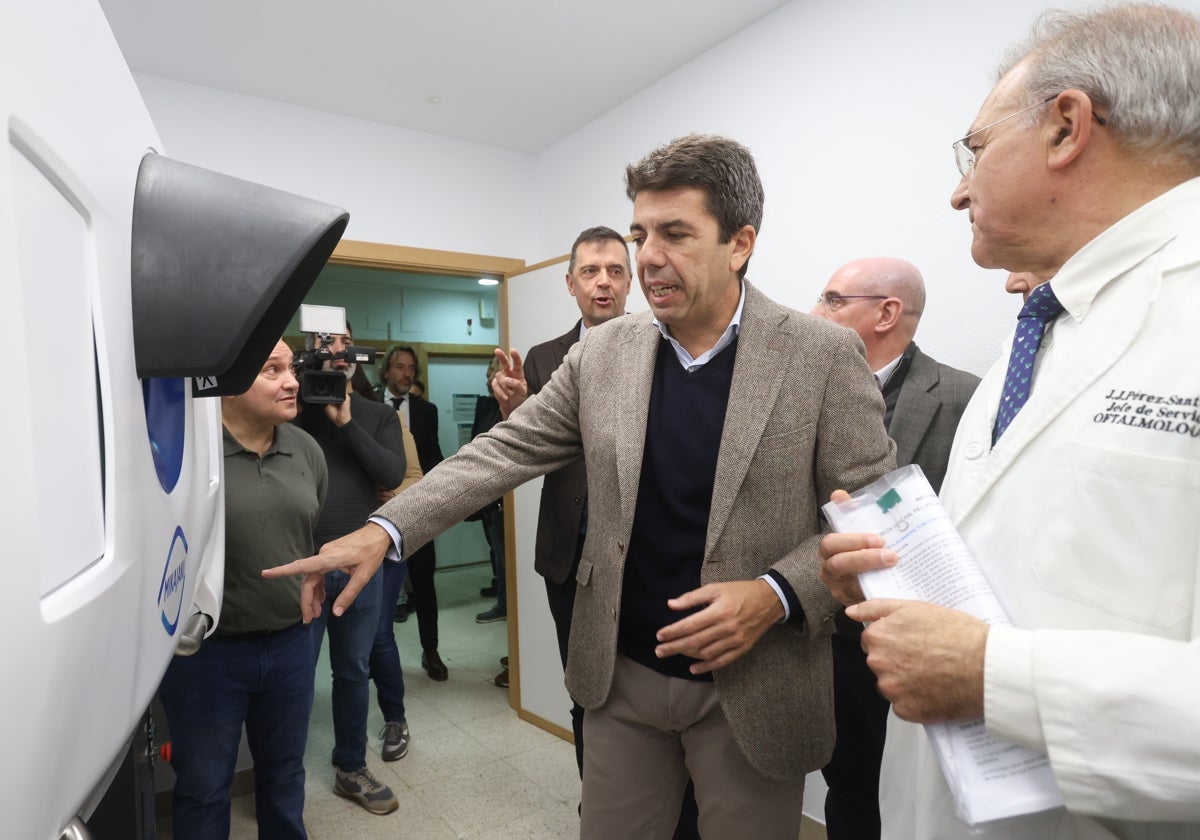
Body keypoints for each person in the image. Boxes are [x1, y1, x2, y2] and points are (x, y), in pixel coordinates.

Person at [268, 134, 895, 839]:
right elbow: (502, 451)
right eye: (640, 234)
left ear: (739, 244)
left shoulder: (819, 354)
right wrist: (386, 530)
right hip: (622, 675)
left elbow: (875, 519)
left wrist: (775, 594)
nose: (648, 256)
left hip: (753, 681)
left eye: (675, 233)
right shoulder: (604, 352)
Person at [818, 5, 1200, 838]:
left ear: (1067, 126)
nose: (958, 188)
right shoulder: (1043, 330)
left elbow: (995, 655)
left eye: (976, 149)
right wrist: (886, 579)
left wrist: (999, 678)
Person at [810, 257, 979, 840]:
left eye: (832, 300)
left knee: (910, 804)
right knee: (849, 794)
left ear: (887, 313)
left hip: (920, 646)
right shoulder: (807, 392)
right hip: (827, 641)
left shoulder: (965, 398)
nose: (815, 313)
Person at [159, 340, 326, 840]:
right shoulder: (191, 455)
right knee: (205, 788)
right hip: (206, 656)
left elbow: (309, 529)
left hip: (292, 645)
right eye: (272, 370)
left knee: (284, 776)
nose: (292, 381)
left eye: (290, 368)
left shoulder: (306, 450)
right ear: (226, 385)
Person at [296, 324, 406, 815]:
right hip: (305, 566)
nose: (335, 350)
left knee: (353, 671)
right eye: (323, 342)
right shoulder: (290, 407)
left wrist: (344, 421)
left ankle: (350, 768)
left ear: (357, 353)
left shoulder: (377, 414)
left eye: (343, 341)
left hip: (361, 565)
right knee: (293, 676)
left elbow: (390, 474)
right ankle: (282, 777)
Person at [379, 345, 448, 680]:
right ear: (387, 371)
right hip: (375, 512)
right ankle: (374, 657)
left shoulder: (426, 411)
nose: (406, 374)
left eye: (411, 368)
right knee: (378, 589)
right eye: (400, 367)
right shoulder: (367, 408)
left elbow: (433, 458)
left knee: (424, 583)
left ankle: (431, 650)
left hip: (419, 510)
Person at [369, 385, 424, 762]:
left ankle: (395, 719)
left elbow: (416, 477)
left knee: (379, 636)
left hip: (381, 542)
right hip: (324, 545)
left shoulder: (384, 417)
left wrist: (393, 496)